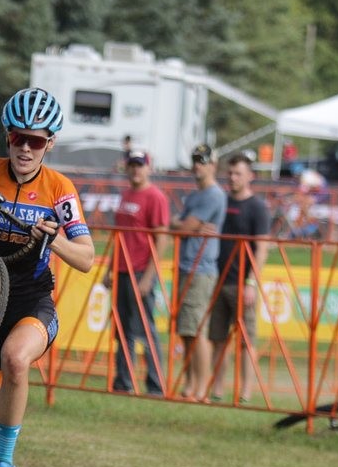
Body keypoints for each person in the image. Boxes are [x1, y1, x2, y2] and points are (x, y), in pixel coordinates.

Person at [0, 87, 94, 467]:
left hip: (31, 300)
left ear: (49, 143)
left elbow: (86, 257)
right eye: (18, 138)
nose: (25, 148)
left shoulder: (59, 188)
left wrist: (53, 240)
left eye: (35, 141)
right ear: (7, 137)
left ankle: (5, 461)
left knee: (16, 359)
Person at [102, 149, 168, 395]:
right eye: (132, 164)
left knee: (145, 328)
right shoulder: (126, 194)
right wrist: (110, 268)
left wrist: (150, 277)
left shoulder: (155, 197)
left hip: (140, 271)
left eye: (140, 165)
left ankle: (155, 384)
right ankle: (123, 382)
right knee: (123, 329)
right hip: (121, 269)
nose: (136, 169)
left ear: (149, 168)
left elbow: (162, 239)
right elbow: (119, 236)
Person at [209, 153, 270, 404]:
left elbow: (262, 248)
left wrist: (252, 283)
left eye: (238, 174)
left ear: (250, 176)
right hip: (218, 280)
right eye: (230, 173)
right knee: (217, 339)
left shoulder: (258, 207)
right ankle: (217, 389)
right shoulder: (221, 201)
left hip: (242, 284)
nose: (233, 178)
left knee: (246, 341)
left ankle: (245, 391)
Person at [169, 144, 226, 400]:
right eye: (195, 160)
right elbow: (178, 225)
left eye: (202, 161)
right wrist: (185, 225)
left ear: (213, 164)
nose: (197, 165)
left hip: (201, 269)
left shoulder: (214, 195)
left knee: (195, 330)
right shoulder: (195, 196)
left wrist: (185, 225)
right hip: (186, 266)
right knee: (186, 330)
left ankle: (201, 388)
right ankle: (191, 384)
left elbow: (183, 226)